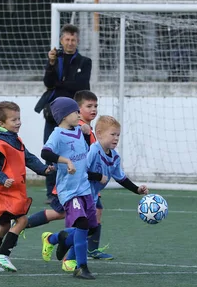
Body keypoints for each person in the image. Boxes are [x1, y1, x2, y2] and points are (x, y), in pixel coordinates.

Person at [62, 115, 149, 272]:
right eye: (112, 134)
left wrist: (137, 190)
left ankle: (54, 238)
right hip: (77, 192)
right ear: (100, 133)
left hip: (91, 196)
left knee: (91, 229)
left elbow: (121, 178)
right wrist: (98, 176)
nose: (116, 139)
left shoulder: (115, 157)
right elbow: (81, 170)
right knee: (83, 227)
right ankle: (70, 259)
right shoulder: (93, 151)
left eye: (118, 135)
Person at [0, 101, 53, 272]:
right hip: (1, 191)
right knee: (22, 219)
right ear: (1, 124)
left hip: (9, 189)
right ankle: (3, 253)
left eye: (19, 118)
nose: (18, 122)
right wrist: (3, 179)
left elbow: (28, 158)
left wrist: (44, 169)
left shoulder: (14, 140)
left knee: (5, 225)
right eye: (14, 120)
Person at [40, 97, 98, 280]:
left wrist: (87, 133)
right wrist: (66, 161)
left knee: (90, 228)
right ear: (64, 116)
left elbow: (84, 151)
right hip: (69, 190)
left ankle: (56, 238)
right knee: (81, 224)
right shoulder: (57, 134)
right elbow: (45, 152)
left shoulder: (79, 131)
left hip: (84, 188)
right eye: (76, 112)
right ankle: (81, 267)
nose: (79, 115)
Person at [37, 24, 92, 204]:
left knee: (78, 152)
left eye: (73, 40)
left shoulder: (84, 62)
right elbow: (48, 82)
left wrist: (60, 84)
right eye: (67, 40)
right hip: (53, 115)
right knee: (51, 151)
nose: (70, 43)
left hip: (73, 117)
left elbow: (81, 86)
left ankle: (79, 188)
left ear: (77, 41)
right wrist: (51, 64)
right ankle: (51, 192)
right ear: (61, 40)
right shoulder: (55, 59)